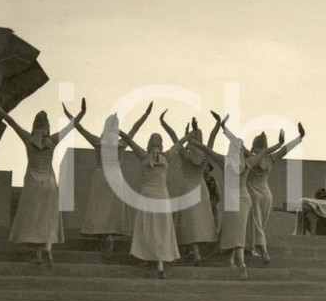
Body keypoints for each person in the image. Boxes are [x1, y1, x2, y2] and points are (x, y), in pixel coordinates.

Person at [0, 99, 86, 265]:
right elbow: (70, 127)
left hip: (33, 185)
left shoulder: (28, 138)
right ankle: (47, 249)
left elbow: (12, 122)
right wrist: (81, 113)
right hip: (50, 184)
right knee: (48, 219)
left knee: (34, 219)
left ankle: (38, 257)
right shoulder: (52, 140)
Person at [63, 102, 152, 256]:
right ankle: (109, 236)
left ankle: (102, 235)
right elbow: (134, 128)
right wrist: (145, 114)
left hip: (101, 176)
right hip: (116, 176)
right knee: (112, 210)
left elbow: (79, 128)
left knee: (99, 207)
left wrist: (71, 115)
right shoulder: (121, 143)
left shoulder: (98, 142)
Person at [186, 114, 260, 280]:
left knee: (234, 231)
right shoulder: (247, 162)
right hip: (245, 199)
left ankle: (240, 262)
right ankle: (233, 260)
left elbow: (207, 149)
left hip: (232, 201)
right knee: (238, 231)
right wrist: (279, 144)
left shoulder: (224, 160)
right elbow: (263, 153)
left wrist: (193, 138)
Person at [116, 123, 186, 279]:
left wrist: (118, 130)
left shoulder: (143, 155)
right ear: (161, 144)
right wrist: (190, 134)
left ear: (148, 143)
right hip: (162, 196)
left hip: (147, 195)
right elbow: (179, 143)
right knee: (161, 229)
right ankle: (160, 263)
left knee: (147, 227)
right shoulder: (167, 156)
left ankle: (147, 257)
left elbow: (129, 140)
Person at [160, 115, 217, 266]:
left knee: (189, 222)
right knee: (199, 222)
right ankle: (195, 252)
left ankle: (195, 252)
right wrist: (218, 123)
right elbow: (212, 137)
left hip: (187, 188)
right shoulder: (205, 155)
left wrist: (163, 122)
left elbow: (174, 137)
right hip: (201, 190)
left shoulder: (184, 155)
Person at [245, 123, 306, 263]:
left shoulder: (250, 157)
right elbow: (286, 149)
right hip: (266, 194)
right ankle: (252, 247)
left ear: (254, 146)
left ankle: (262, 252)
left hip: (252, 193)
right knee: (260, 223)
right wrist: (300, 137)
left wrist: (223, 128)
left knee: (255, 222)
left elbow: (238, 145)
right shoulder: (271, 158)